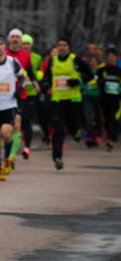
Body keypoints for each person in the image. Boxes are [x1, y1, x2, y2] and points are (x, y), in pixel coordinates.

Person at [41, 37, 93, 169]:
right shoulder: (53, 61)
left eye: (64, 45)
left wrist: (78, 81)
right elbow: (48, 76)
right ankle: (57, 157)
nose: (61, 47)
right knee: (57, 129)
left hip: (73, 100)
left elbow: (90, 75)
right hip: (57, 100)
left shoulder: (75, 60)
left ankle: (76, 131)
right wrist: (46, 84)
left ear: (69, 47)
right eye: (59, 45)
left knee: (72, 126)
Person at [0, 36, 24, 180]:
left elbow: (22, 77)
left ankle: (7, 158)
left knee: (6, 134)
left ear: (5, 46)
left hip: (9, 104)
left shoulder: (13, 63)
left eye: (1, 44)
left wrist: (19, 89)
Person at [5, 28, 39, 161]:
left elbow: (30, 72)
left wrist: (35, 84)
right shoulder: (4, 53)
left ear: (20, 40)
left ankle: (13, 155)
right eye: (12, 37)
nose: (14, 39)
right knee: (6, 127)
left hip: (20, 94)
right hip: (3, 95)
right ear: (8, 39)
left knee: (19, 122)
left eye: (17, 37)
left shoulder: (26, 55)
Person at [20, 34, 44, 158]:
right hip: (19, 92)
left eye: (27, 43)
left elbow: (40, 71)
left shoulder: (37, 57)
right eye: (23, 43)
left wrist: (38, 78)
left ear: (31, 45)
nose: (25, 46)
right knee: (18, 120)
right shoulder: (16, 56)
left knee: (27, 119)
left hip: (31, 92)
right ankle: (17, 142)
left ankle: (27, 146)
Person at [96, 45, 120, 151]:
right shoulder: (102, 70)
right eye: (109, 56)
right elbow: (95, 79)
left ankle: (112, 139)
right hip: (104, 100)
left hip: (116, 100)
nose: (110, 58)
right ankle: (109, 137)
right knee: (105, 121)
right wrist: (99, 82)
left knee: (114, 118)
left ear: (116, 58)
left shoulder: (119, 71)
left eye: (113, 56)